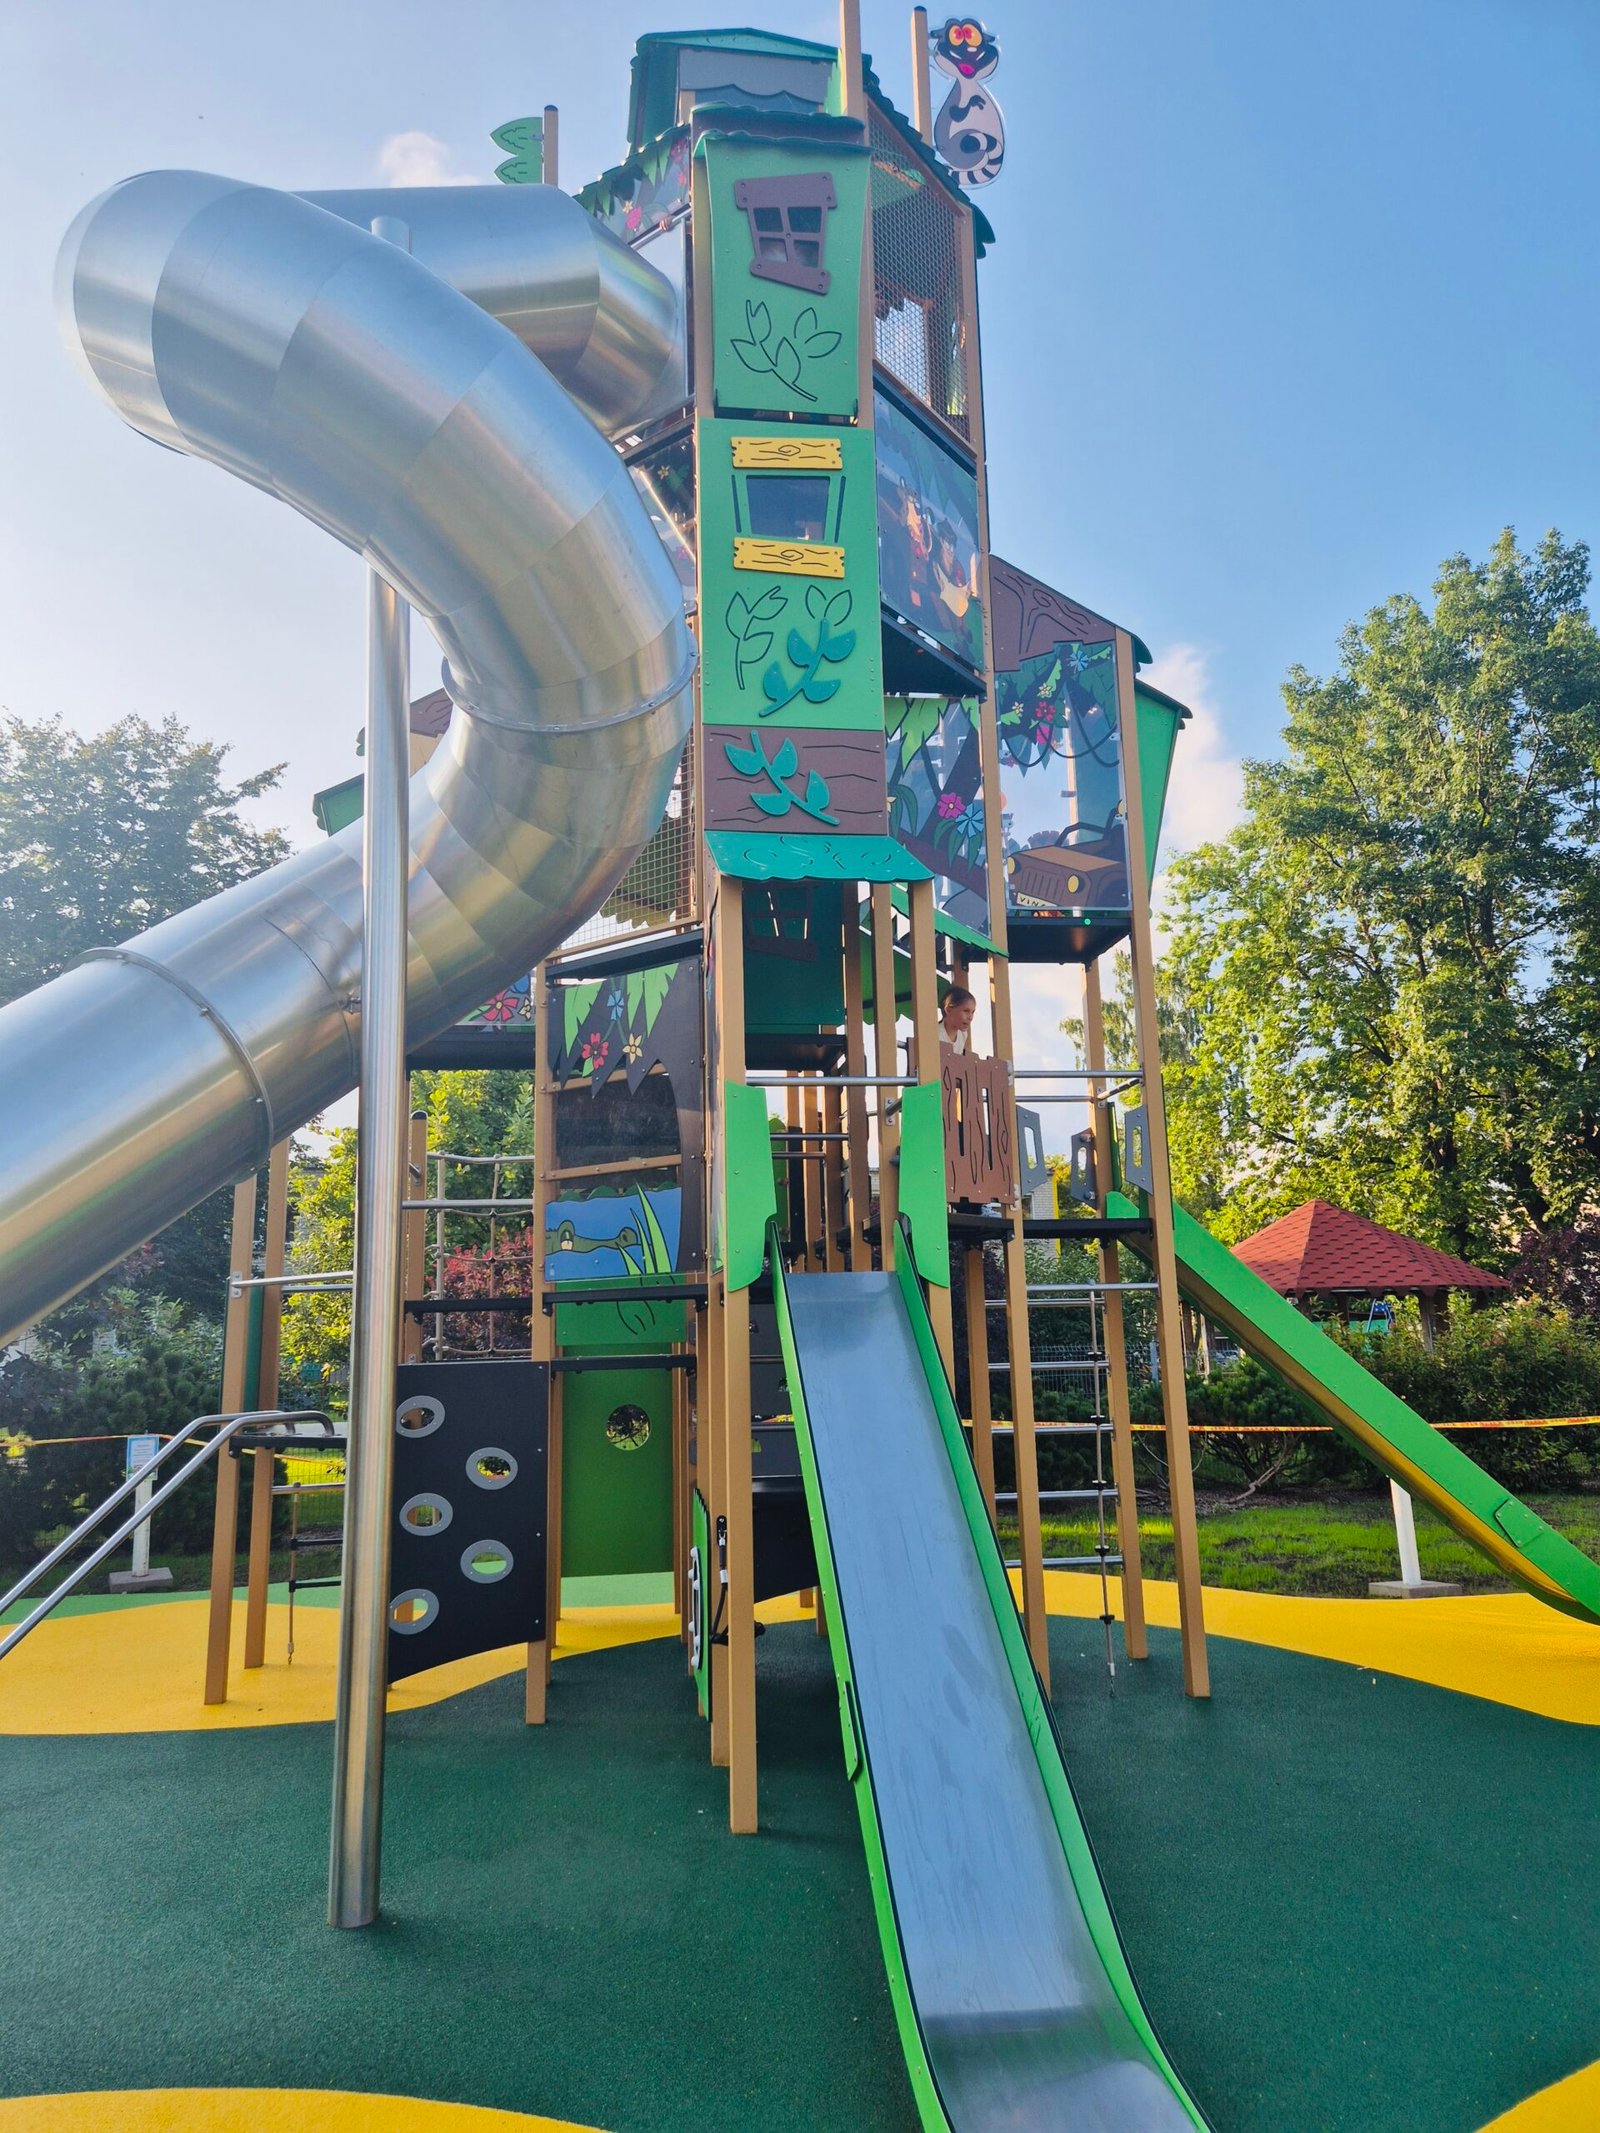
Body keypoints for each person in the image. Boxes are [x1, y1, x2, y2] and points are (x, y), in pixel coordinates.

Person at [939, 983, 977, 1053]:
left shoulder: (963, 1034)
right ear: (948, 1010)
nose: (970, 1017)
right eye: (966, 1011)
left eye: (972, 1012)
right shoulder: (936, 1034)